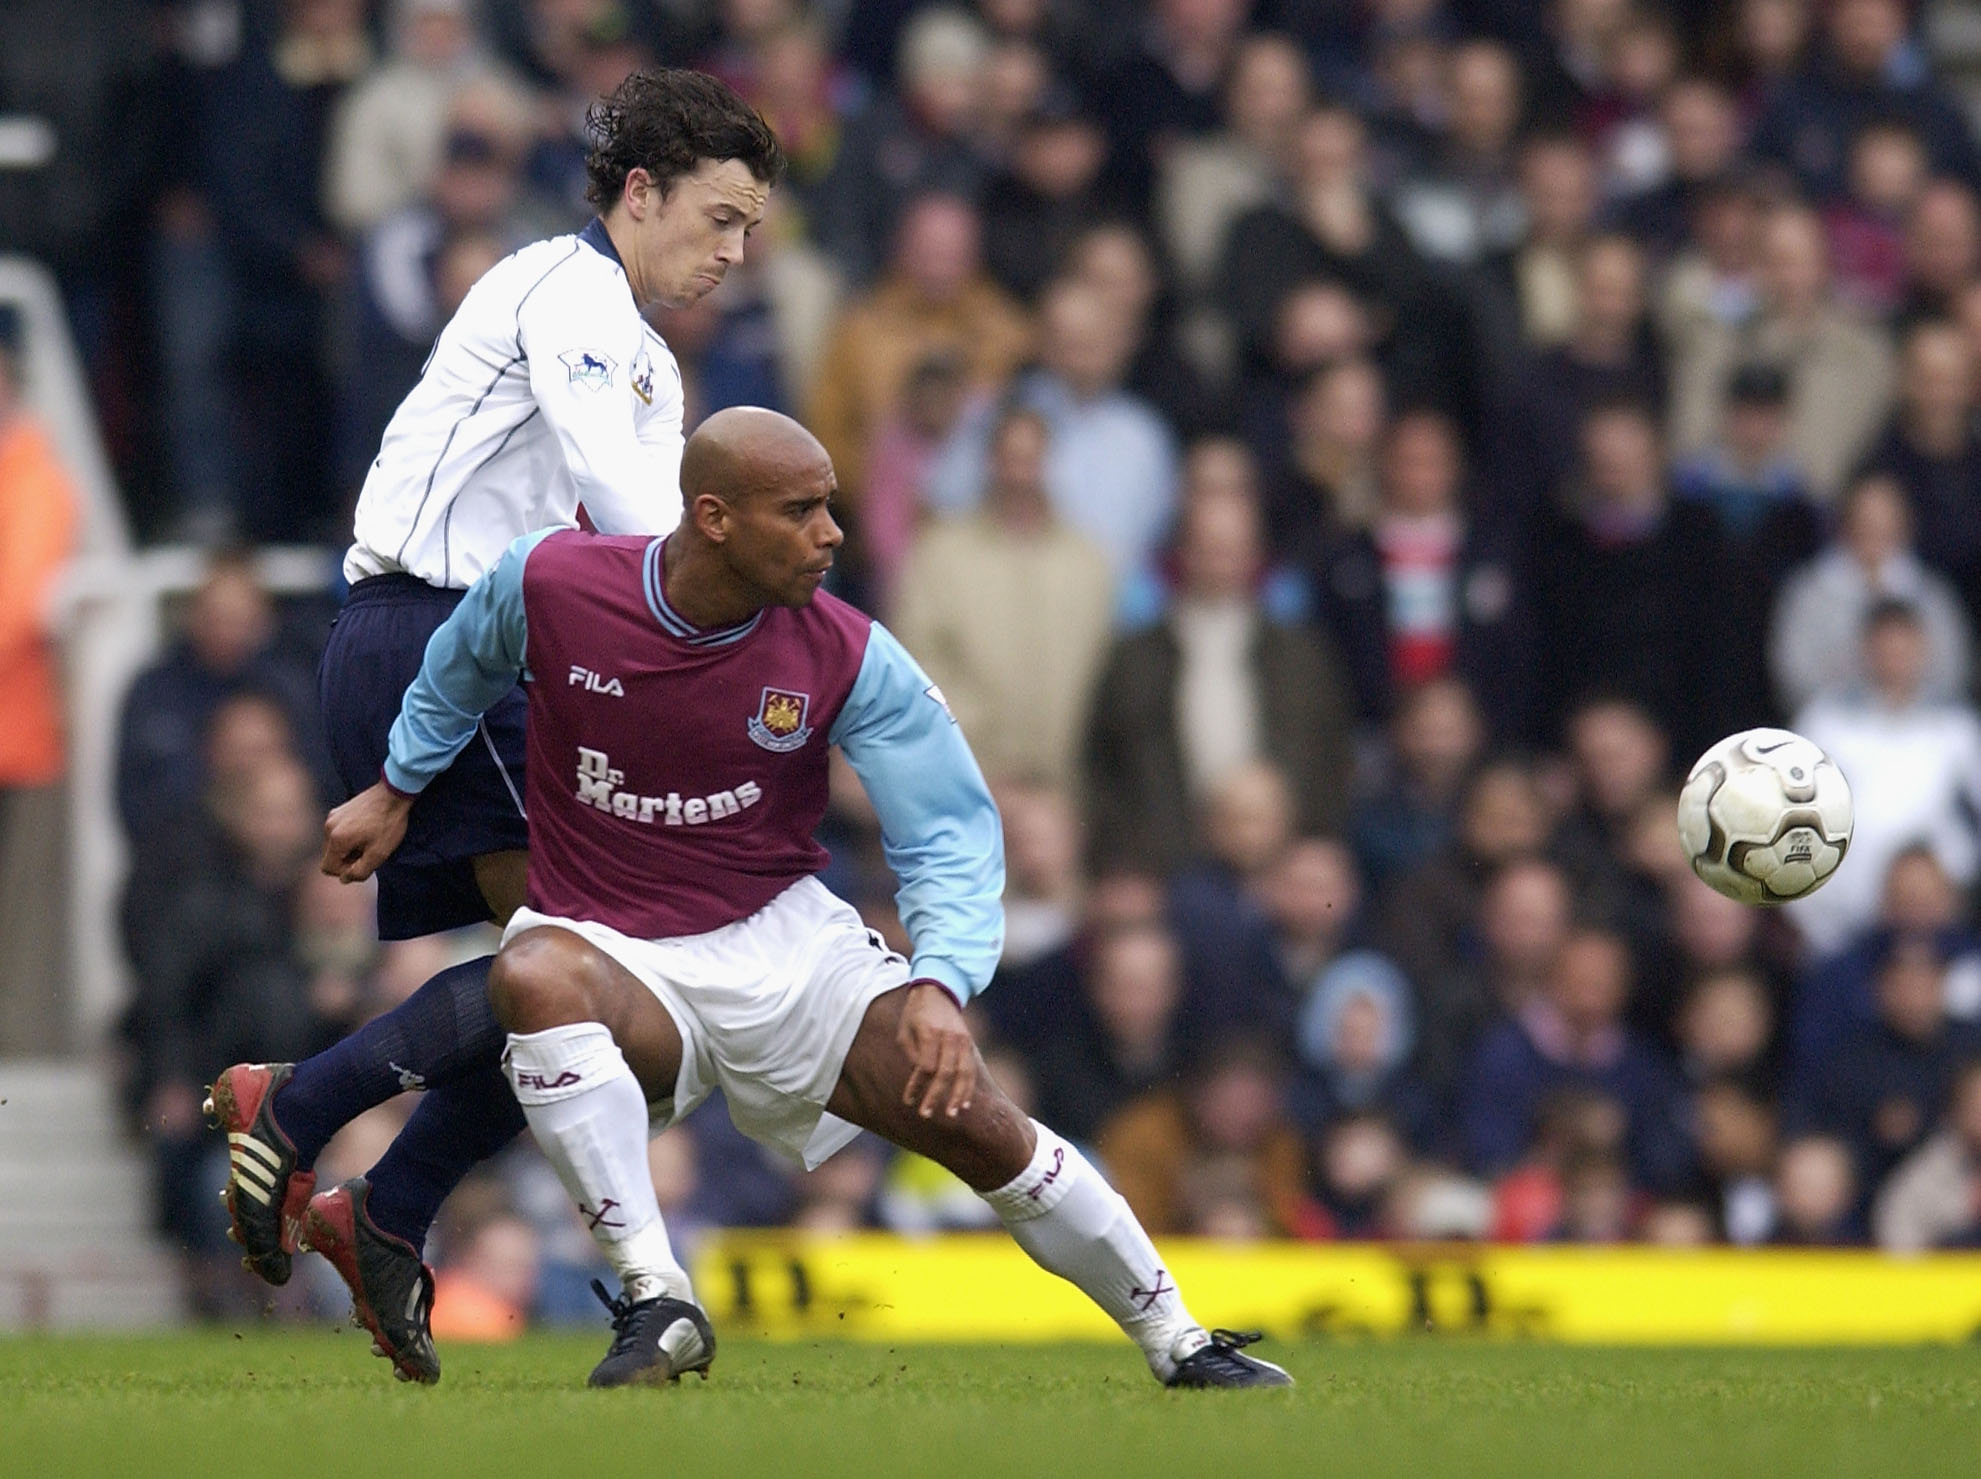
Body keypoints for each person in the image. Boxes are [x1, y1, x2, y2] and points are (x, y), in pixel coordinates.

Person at [318, 408, 1289, 1390]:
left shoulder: (847, 650)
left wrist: (941, 987)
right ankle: (658, 1296)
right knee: (529, 973)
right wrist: (397, 786)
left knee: (977, 1126)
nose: (832, 532)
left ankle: (1179, 1339)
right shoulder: (551, 579)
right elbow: (459, 666)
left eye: (830, 506)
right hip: (614, 947)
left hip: (784, 942)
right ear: (714, 518)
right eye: (801, 509)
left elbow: (948, 829)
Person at [205, 69, 785, 1342]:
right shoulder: (560, 290)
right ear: (641, 192)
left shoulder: (641, 355)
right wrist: (770, 631)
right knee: (598, 962)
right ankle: (302, 1115)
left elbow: (641, 547)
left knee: (577, 984)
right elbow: (637, 525)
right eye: (720, 217)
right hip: (431, 634)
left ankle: (389, 1209)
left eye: (749, 230)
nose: (734, 252)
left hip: (488, 652)